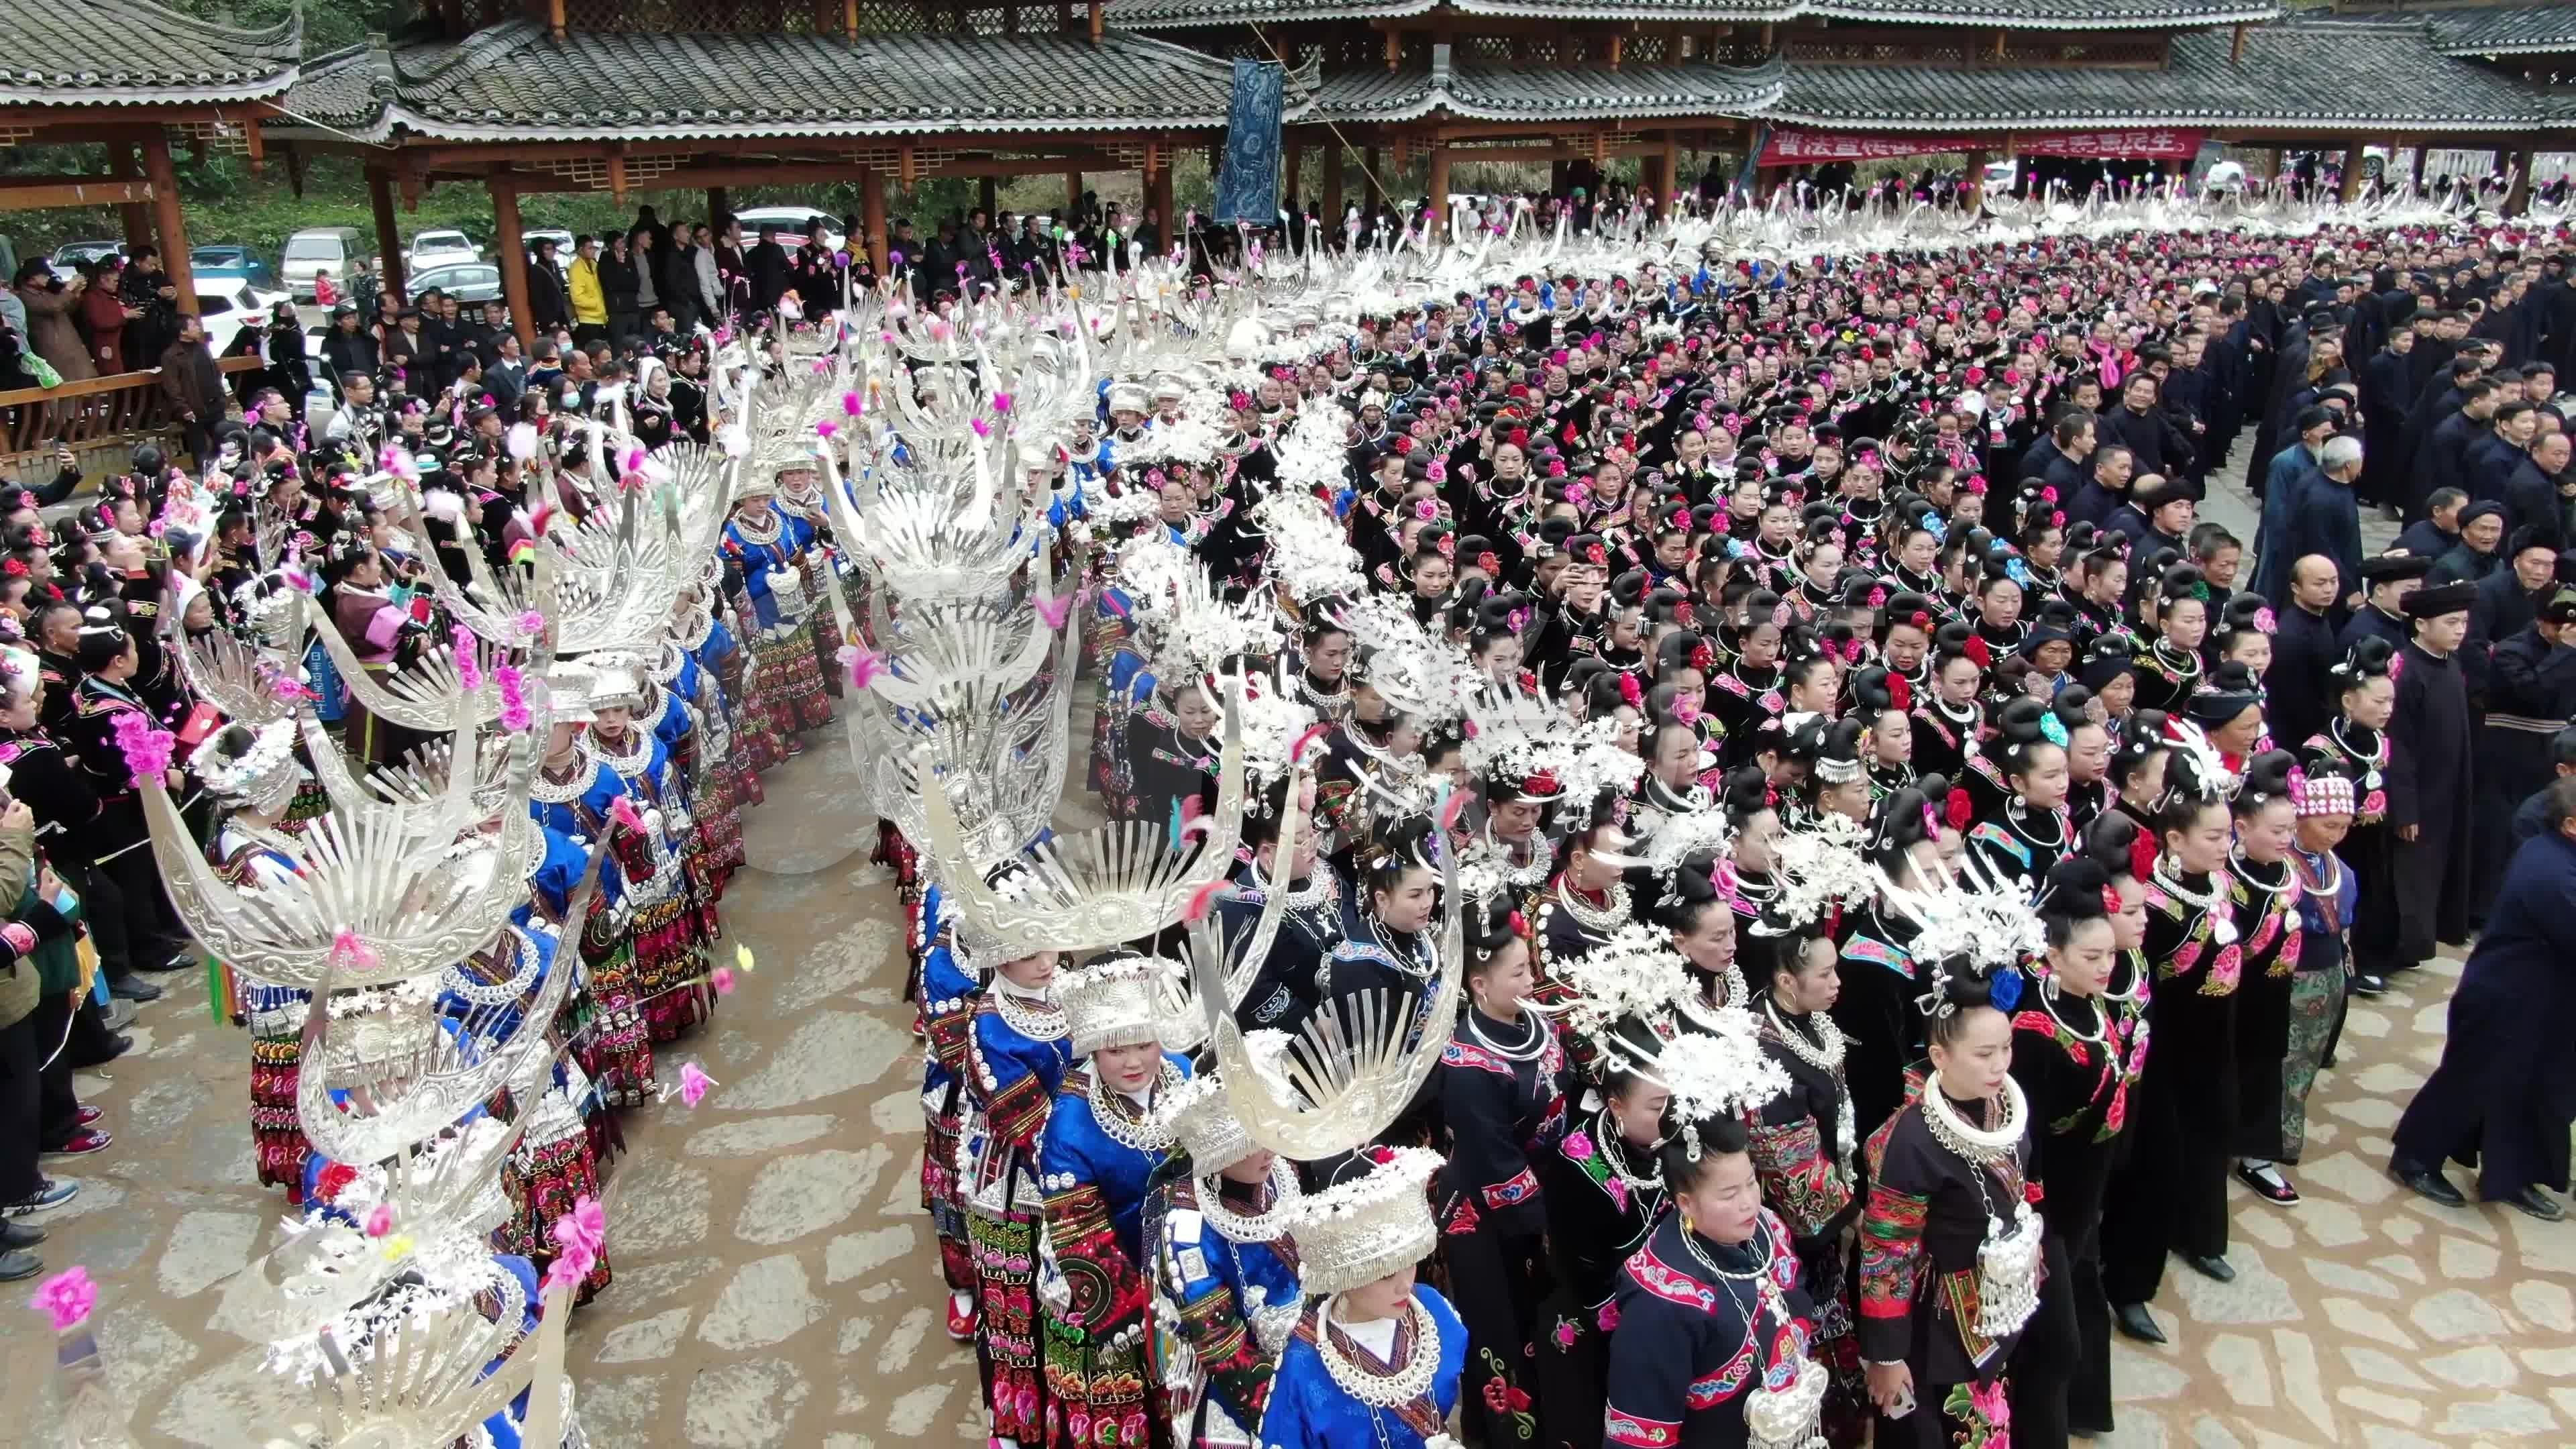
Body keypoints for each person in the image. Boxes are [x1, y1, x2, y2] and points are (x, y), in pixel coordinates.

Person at [2390, 773, 2576, 1221]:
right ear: (2571, 824)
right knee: (2471, 1082)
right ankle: (2415, 1157)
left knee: (2533, 1090)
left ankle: (2512, 1174)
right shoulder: (2550, 870)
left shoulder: (2558, 854)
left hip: (2547, 1003)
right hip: (2507, 998)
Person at [1259, 1147, 1466, 1449]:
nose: (1404, 1285)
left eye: (1408, 1260)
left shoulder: (1434, 1310)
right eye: (1384, 1273)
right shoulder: (1304, 1364)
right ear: (1344, 1272)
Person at [2386, 581, 2477, 973]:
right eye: (2452, 622)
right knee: (2412, 875)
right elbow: (2399, 746)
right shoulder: (2407, 672)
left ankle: (2434, 934)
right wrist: (2405, 809)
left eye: (2464, 623)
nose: (2460, 630)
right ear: (2422, 625)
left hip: (2449, 786)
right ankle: (2404, 946)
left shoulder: (2451, 663)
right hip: (2419, 793)